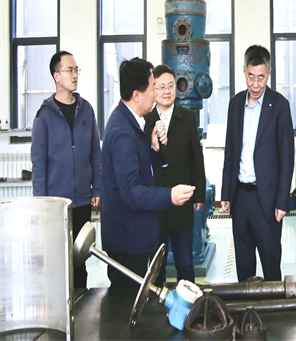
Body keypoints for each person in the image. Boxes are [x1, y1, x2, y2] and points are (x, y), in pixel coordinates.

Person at [101, 58, 195, 287]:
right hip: (127, 240)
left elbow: (140, 169)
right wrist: (169, 195)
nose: (156, 94)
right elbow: (131, 190)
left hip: (133, 235)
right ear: (136, 95)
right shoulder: (123, 132)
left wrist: (152, 148)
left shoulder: (131, 123)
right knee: (127, 301)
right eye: (152, 87)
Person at [221, 45, 294, 282]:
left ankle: (274, 306)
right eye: (251, 77)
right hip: (240, 197)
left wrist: (282, 201)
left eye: (261, 78)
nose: (255, 84)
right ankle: (248, 305)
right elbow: (230, 151)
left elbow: (287, 157)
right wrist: (226, 192)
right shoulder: (235, 105)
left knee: (271, 264)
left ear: (269, 74)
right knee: (244, 266)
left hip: (268, 201)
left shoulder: (279, 105)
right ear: (244, 71)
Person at [31, 51, 101, 289]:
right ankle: (61, 306)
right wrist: (41, 205)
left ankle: (81, 305)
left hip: (82, 201)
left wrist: (97, 188)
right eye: (69, 70)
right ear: (56, 76)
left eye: (76, 70)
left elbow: (96, 153)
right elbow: (39, 165)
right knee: (59, 261)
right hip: (57, 206)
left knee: (81, 259)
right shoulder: (44, 116)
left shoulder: (86, 110)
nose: (74, 75)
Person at [144, 65, 206, 287]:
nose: (167, 91)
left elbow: (196, 157)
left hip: (182, 200)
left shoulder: (187, 117)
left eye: (171, 86)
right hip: (156, 200)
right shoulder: (145, 119)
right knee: (156, 266)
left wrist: (199, 194)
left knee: (185, 262)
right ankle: (155, 304)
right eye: (161, 87)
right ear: (153, 90)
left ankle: (188, 302)